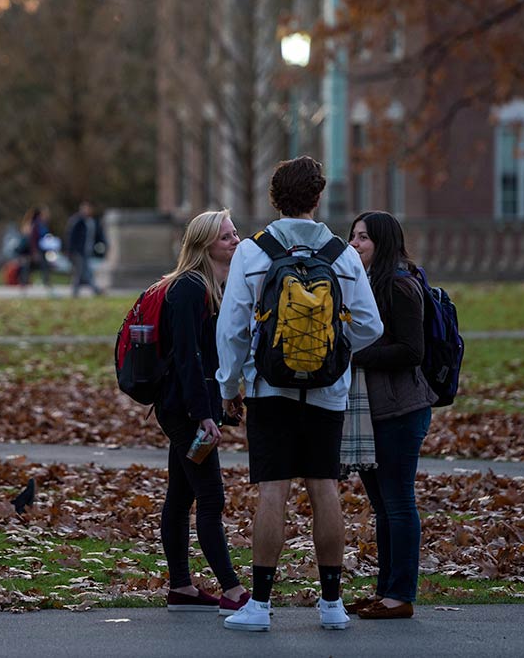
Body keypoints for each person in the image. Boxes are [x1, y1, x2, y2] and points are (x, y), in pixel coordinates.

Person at [216, 156, 383, 633]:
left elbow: (230, 331)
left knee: (274, 491)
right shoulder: (342, 254)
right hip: (328, 392)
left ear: (275, 197)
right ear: (317, 198)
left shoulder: (253, 252)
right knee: (323, 487)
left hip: (269, 389)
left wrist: (231, 386)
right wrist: (335, 351)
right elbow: (371, 327)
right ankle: (332, 605)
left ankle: (261, 605)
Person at [152, 209, 250, 615]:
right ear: (204, 244)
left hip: (191, 407)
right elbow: (190, 360)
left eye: (234, 233)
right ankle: (231, 588)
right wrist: (203, 415)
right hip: (185, 411)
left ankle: (181, 588)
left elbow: (210, 356)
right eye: (226, 236)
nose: (235, 240)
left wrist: (225, 399)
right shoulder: (191, 288)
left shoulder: (213, 287)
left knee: (180, 496)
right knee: (211, 496)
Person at [346, 211, 439, 620]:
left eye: (363, 238)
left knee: (398, 503)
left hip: (401, 410)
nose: (355, 244)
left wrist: (354, 355)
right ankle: (386, 592)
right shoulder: (366, 285)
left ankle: (400, 595)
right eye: (352, 237)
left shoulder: (400, 285)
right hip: (374, 411)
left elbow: (412, 351)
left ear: (383, 242)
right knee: (383, 506)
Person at [64, 201, 106, 297]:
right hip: (78, 251)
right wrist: (70, 251)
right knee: (81, 272)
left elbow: (96, 236)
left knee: (83, 272)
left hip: (87, 251)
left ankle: (79, 291)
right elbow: (71, 237)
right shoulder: (77, 221)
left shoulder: (91, 221)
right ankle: (94, 290)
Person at [18, 206, 52, 291]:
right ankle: (25, 283)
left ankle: (25, 283)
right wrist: (34, 251)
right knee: (36, 266)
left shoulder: (40, 224)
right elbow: (33, 239)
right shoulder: (36, 224)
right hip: (32, 250)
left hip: (38, 250)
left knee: (34, 266)